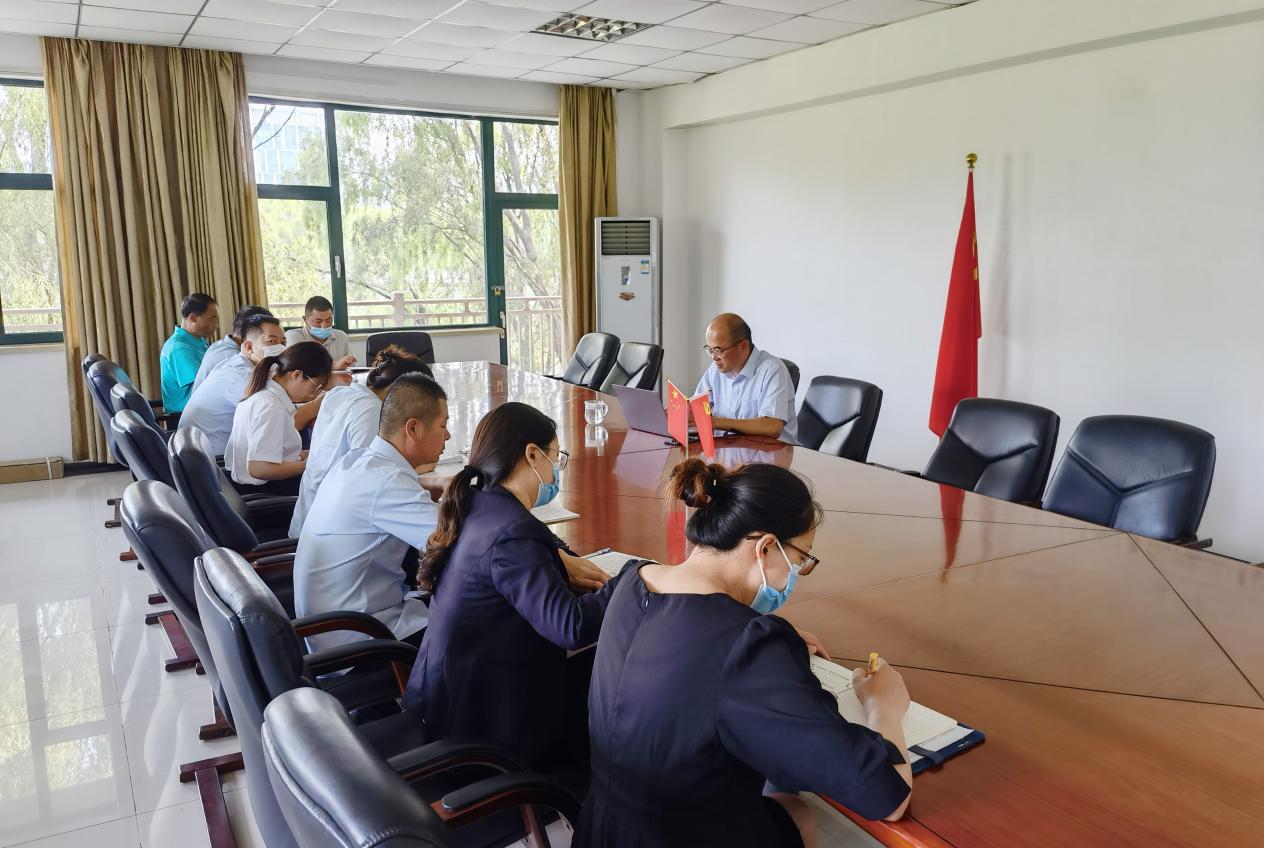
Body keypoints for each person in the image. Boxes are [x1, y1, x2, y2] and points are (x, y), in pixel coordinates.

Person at [574, 458, 913, 848]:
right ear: (766, 547)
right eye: (800, 560)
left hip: (601, 830)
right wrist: (884, 708)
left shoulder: (632, 581)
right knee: (796, 811)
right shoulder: (750, 645)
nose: (795, 575)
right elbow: (887, 797)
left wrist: (755, 632)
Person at [403, 402, 621, 773]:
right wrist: (628, 581)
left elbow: (536, 543)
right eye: (556, 457)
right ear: (532, 455)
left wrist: (558, 555)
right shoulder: (513, 532)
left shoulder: (478, 502)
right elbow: (570, 627)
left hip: (447, 699)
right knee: (604, 674)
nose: (556, 470)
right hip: (483, 733)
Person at [294, 373, 450, 651]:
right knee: (487, 619)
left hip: (333, 628)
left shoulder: (356, 461)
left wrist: (433, 483)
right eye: (443, 425)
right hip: (365, 641)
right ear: (413, 428)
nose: (447, 435)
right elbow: (456, 542)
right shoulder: (387, 483)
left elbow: (388, 493)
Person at [289, 346, 434, 538]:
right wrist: (419, 466)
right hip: (336, 530)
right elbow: (370, 477)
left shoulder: (340, 394)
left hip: (312, 519)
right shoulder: (371, 411)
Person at [224, 341, 332, 496]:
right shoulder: (270, 406)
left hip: (261, 485)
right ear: (297, 375)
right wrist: (308, 464)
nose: (315, 394)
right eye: (316, 386)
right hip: (266, 491)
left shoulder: (266, 395)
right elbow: (258, 468)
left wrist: (298, 455)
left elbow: (268, 449)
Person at [178, 313, 286, 456]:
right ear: (249, 347)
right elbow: (280, 419)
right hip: (215, 460)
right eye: (272, 341)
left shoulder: (237, 364)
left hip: (209, 453)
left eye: (283, 343)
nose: (280, 348)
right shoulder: (242, 376)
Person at [695, 312, 798, 443]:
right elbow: (697, 407)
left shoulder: (773, 370)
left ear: (743, 346)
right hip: (729, 449)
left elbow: (772, 426)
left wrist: (716, 422)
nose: (714, 357)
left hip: (771, 451)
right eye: (710, 350)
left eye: (718, 351)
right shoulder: (715, 369)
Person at [160, 293, 219, 412]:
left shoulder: (199, 340)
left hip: (202, 409)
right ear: (193, 318)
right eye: (213, 319)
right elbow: (203, 386)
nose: (216, 325)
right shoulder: (178, 348)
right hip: (188, 416)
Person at [193, 304, 273, 392]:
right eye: (270, 339)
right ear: (250, 332)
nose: (274, 345)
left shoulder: (220, 344)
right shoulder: (232, 358)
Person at [285, 295, 355, 370]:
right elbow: (295, 369)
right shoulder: (294, 337)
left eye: (328, 320)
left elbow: (350, 368)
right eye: (318, 321)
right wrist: (333, 365)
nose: (324, 326)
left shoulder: (341, 336)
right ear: (305, 319)